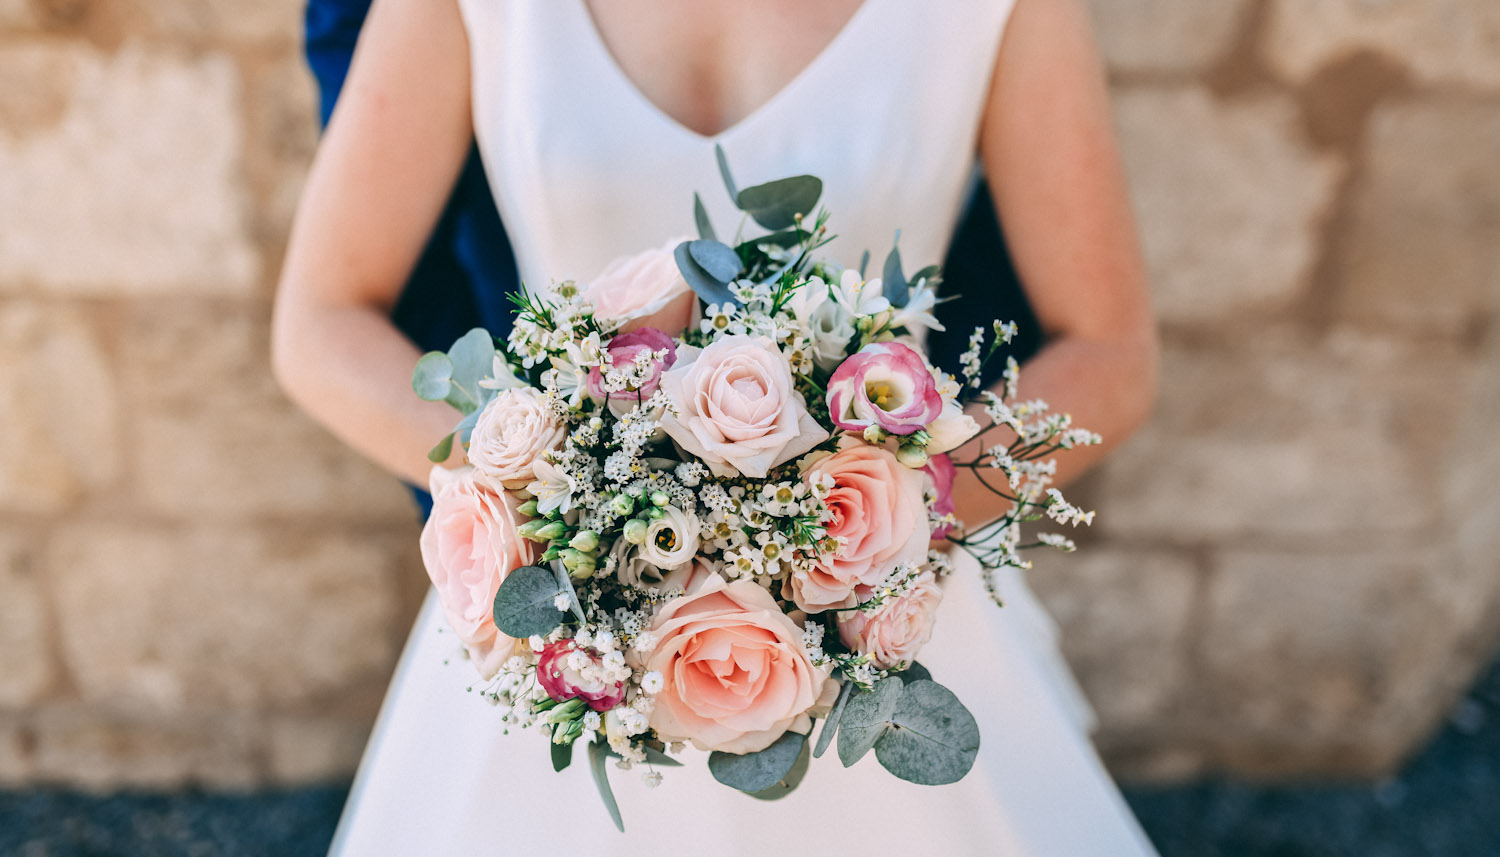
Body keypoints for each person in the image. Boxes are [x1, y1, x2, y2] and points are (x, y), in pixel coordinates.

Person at [273, 0, 1160, 853]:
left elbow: (1110, 354)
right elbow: (321, 320)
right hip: (566, 629)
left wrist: (861, 539)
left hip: (881, 609)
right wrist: (552, 496)